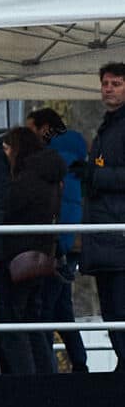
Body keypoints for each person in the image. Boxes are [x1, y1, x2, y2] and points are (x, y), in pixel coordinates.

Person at [0, 123, 65, 374]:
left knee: (13, 323)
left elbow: (7, 207)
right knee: (33, 321)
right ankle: (45, 375)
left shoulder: (26, 179)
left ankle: (26, 378)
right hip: (41, 256)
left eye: (6, 147)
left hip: (17, 256)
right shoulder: (49, 178)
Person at [27, 106, 91, 371]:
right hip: (72, 241)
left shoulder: (49, 161)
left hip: (57, 244)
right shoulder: (76, 159)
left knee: (45, 311)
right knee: (62, 309)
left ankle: (49, 370)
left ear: (44, 129)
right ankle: (79, 363)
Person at [75, 61, 125, 329]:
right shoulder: (108, 126)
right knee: (112, 312)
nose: (108, 89)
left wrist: (97, 176)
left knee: (119, 310)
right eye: (105, 84)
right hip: (105, 236)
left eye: (116, 84)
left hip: (117, 233)